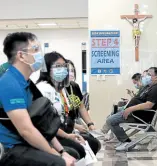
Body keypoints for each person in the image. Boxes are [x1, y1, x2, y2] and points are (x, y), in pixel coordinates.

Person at [0, 32, 75, 166]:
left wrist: (61, 151)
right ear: (21, 55)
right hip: (14, 149)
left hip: (27, 143)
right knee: (59, 163)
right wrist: (57, 156)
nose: (39, 54)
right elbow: (26, 131)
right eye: (35, 50)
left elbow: (43, 123)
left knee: (72, 154)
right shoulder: (9, 83)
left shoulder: (26, 82)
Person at [106, 67, 157, 151]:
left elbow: (149, 105)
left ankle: (126, 141)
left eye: (149, 75)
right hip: (134, 113)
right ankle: (122, 140)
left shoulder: (156, 89)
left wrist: (130, 109)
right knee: (112, 115)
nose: (145, 77)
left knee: (110, 120)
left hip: (138, 116)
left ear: (156, 77)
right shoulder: (149, 87)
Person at [66, 59, 101, 154]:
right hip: (65, 124)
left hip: (75, 120)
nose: (71, 73)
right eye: (68, 70)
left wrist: (90, 124)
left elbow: (81, 107)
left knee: (95, 143)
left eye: (72, 70)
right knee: (87, 145)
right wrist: (75, 126)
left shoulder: (74, 86)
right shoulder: (58, 88)